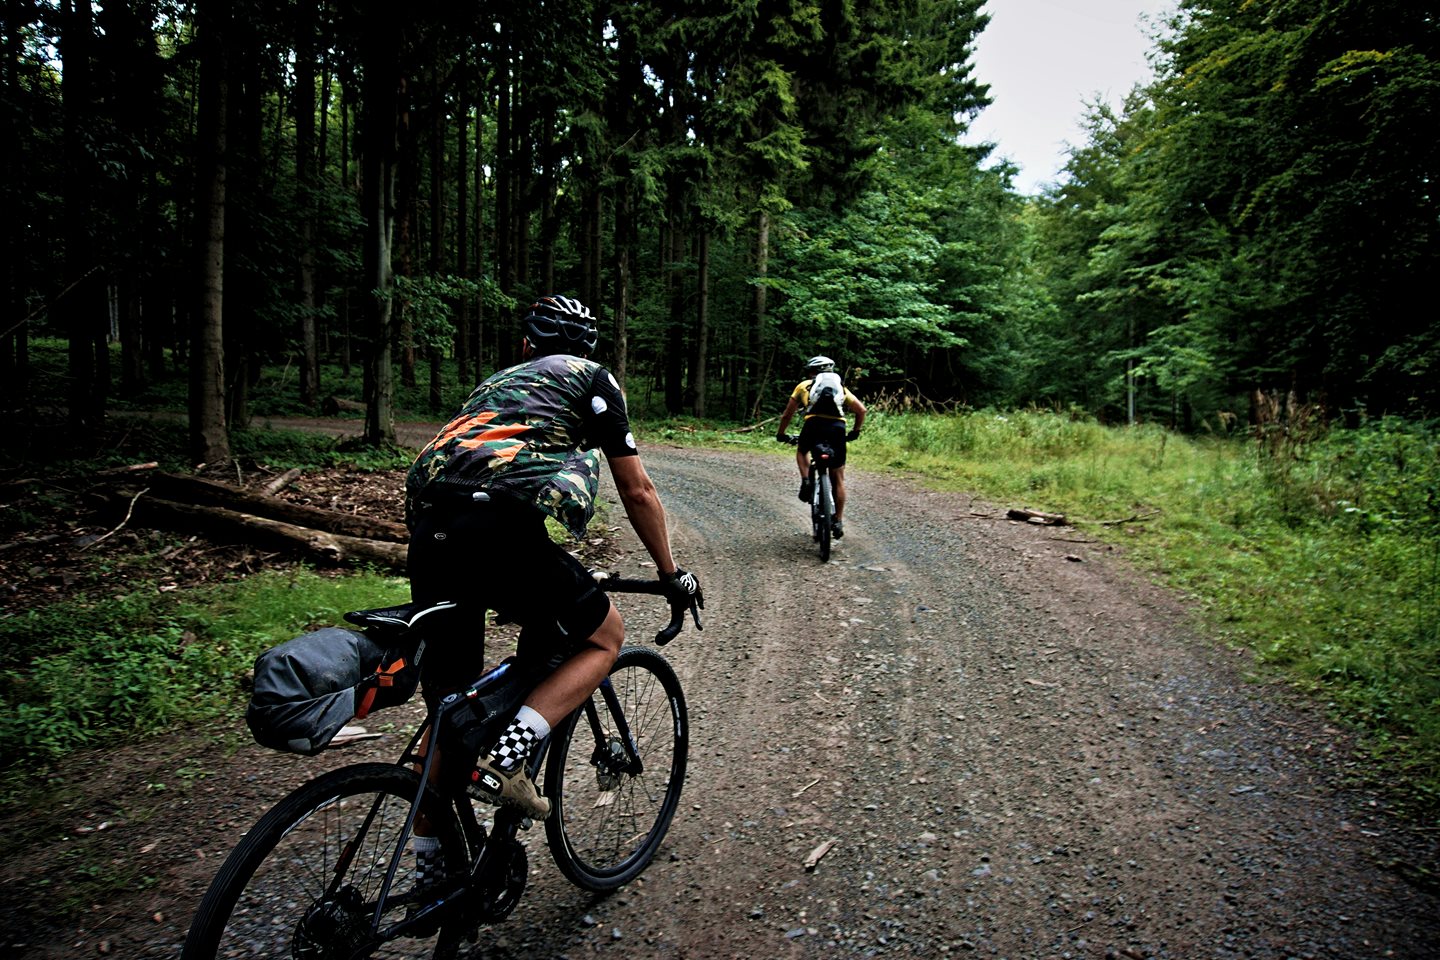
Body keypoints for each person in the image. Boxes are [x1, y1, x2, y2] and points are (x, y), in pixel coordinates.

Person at [404, 294, 701, 829]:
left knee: (450, 710)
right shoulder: (593, 378)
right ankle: (507, 758)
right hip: (498, 531)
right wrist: (668, 573)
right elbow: (636, 490)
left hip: (431, 535)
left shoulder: (495, 384)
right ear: (588, 349)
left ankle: (430, 870)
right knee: (605, 635)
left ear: (526, 346)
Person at [775, 355, 866, 538]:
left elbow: (787, 414)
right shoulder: (840, 387)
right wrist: (855, 431)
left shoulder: (804, 386)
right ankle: (838, 521)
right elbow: (861, 410)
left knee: (802, 450)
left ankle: (806, 480)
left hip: (813, 425)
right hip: (837, 428)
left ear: (812, 372)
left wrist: (781, 434)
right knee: (838, 478)